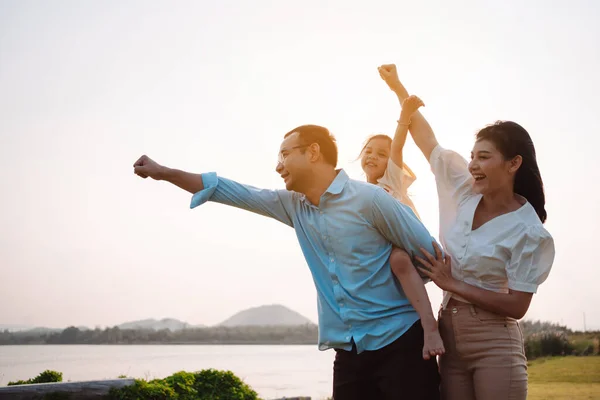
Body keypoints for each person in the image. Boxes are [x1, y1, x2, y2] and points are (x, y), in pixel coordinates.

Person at [133, 124, 441, 399]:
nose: (278, 166)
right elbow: (228, 189)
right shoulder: (294, 206)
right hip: (349, 350)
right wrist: (164, 173)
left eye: (284, 155)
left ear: (313, 152)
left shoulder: (370, 199)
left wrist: (399, 268)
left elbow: (430, 256)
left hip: (401, 344)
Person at [379, 64, 555, 400]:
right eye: (473, 156)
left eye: (484, 157)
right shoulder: (463, 187)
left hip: (495, 341)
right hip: (449, 336)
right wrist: (398, 87)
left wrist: (452, 283)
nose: (473, 164)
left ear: (513, 163)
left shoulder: (529, 230)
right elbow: (427, 140)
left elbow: (517, 305)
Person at [358, 87, 444, 360]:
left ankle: (430, 324)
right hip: (390, 263)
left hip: (414, 253)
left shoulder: (390, 182)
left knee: (398, 259)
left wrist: (404, 116)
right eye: (368, 151)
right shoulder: (357, 194)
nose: (372, 156)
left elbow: (397, 146)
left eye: (380, 154)